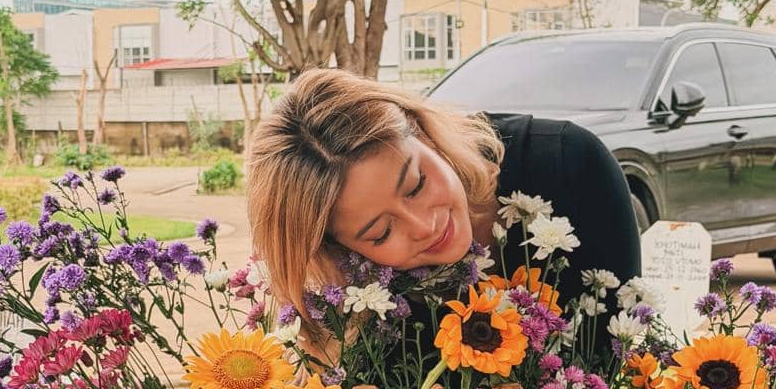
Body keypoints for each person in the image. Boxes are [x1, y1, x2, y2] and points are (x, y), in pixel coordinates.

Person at [246, 68, 641, 329]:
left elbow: (622, 354)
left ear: (423, 132)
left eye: (416, 185)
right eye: (381, 233)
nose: (425, 225)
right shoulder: (347, 301)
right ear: (338, 251)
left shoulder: (568, 162)